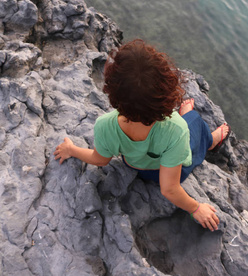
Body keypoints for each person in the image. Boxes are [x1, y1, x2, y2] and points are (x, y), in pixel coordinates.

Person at [53, 39, 230, 232]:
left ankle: (195, 125)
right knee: (194, 121)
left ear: (113, 92)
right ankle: (210, 141)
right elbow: (169, 189)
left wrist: (71, 149)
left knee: (183, 126)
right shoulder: (176, 129)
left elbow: (100, 159)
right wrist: (196, 208)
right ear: (166, 94)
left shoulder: (104, 125)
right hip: (173, 172)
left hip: (136, 165)